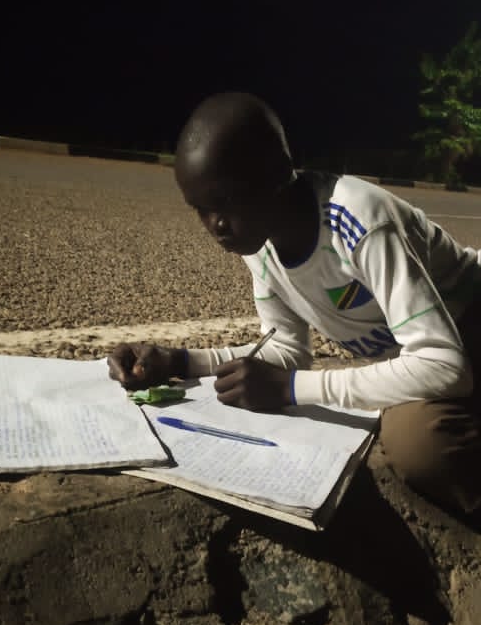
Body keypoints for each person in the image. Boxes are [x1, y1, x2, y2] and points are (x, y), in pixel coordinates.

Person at [108, 92, 481, 515]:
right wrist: (178, 362)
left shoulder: (356, 220)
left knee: (417, 446)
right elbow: (286, 349)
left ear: (279, 174)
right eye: (202, 210)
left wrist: (292, 389)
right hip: (446, 349)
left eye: (227, 201)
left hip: (472, 320)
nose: (217, 226)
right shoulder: (260, 246)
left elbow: (443, 365)